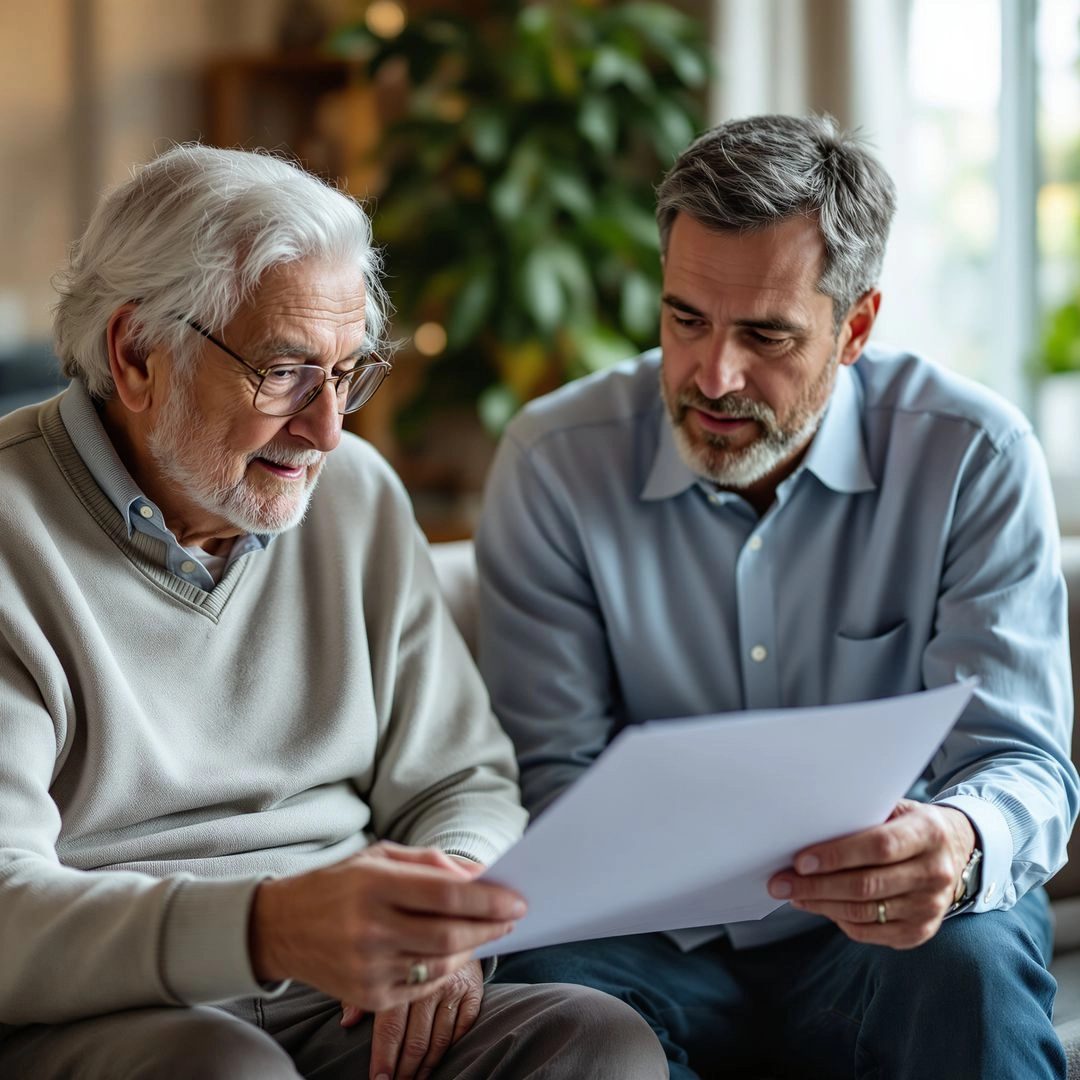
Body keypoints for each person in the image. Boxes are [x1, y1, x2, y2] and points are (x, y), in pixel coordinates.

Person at [0, 144, 670, 1080]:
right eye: (282, 373)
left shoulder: (353, 495)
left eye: (347, 374)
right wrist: (266, 930)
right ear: (137, 353)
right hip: (116, 1010)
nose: (325, 432)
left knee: (596, 1041)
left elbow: (461, 781)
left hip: (347, 1002)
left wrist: (450, 905)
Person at [476, 114, 1079, 1079]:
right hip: (643, 942)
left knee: (971, 951)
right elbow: (548, 776)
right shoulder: (554, 462)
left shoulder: (973, 454)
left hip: (877, 932)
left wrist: (959, 843)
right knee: (553, 998)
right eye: (685, 320)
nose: (713, 375)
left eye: (766, 334)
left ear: (857, 326)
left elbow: (1021, 764)